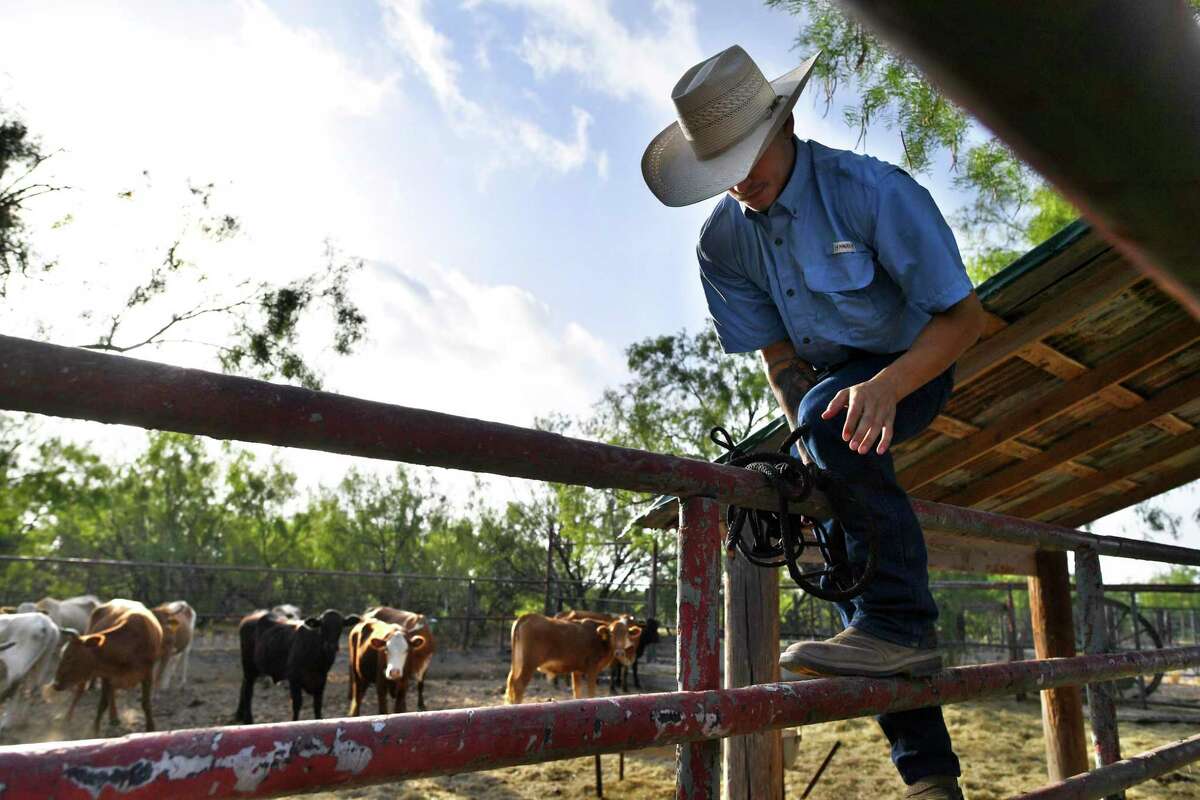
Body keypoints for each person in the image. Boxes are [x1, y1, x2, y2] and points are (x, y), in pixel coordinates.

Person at [642, 45, 986, 800]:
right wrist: (807, 450)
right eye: (719, 165)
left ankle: (900, 624)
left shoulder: (872, 193)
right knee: (837, 538)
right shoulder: (722, 241)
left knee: (834, 441)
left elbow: (964, 318)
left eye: (747, 153)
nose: (739, 178)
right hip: (826, 394)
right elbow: (778, 359)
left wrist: (889, 387)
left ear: (786, 121)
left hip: (914, 362)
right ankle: (930, 776)